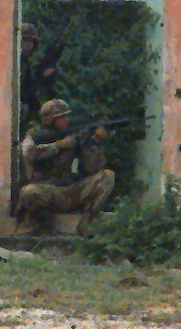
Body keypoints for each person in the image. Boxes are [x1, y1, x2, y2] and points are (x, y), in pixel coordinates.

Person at [17, 99, 116, 235]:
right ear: (50, 120)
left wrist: (95, 142)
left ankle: (87, 222)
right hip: (48, 191)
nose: (67, 120)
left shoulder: (74, 136)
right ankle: (40, 225)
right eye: (62, 117)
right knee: (29, 192)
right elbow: (29, 153)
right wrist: (60, 145)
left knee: (107, 177)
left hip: (70, 191)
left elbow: (92, 168)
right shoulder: (35, 135)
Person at [19, 23, 61, 126]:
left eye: (32, 42)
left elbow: (29, 89)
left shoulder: (25, 63)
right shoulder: (12, 62)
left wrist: (42, 78)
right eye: (26, 40)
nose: (29, 45)